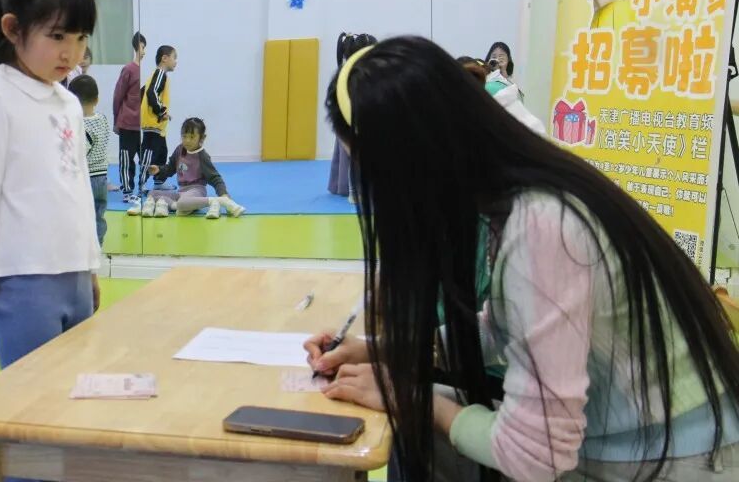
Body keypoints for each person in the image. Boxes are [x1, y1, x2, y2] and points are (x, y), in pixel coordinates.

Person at [306, 36, 739, 482]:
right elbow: (507, 328)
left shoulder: (543, 224)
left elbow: (536, 455)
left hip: (667, 460)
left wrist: (411, 395)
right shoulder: (518, 191)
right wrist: (385, 350)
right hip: (620, 440)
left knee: (417, 423)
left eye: (373, 175)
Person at [0, 0, 102, 370]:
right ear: (12, 29)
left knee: (75, 393)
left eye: (81, 38)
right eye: (57, 36)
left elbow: (80, 187)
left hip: (75, 273)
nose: (71, 52)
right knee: (28, 397)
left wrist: (91, 263)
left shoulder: (69, 102)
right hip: (22, 277)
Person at [140, 117, 245, 220]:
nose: (187, 140)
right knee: (151, 194)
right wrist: (159, 170)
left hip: (196, 191)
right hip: (181, 192)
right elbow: (170, 168)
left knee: (182, 203)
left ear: (202, 138)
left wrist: (224, 194)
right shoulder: (179, 149)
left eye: (192, 137)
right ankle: (180, 207)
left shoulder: (202, 156)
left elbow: (215, 178)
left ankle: (218, 201)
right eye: (184, 136)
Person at [328, 32, 377, 202]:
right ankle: (354, 191)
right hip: (353, 121)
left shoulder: (358, 74)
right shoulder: (351, 77)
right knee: (357, 157)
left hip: (357, 119)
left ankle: (352, 189)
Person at [68, 74, 111, 247]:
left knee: (81, 215)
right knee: (98, 214)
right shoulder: (102, 119)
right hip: (102, 177)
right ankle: (98, 245)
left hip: (87, 178)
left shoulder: (82, 125)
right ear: (97, 99)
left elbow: (80, 155)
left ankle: (83, 247)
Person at [483, 42, 545, 135]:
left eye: (501, 55)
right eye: (494, 56)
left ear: (508, 59)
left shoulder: (514, 84)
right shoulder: (488, 83)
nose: (498, 58)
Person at [113, 32, 146, 205]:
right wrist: (116, 120)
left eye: (145, 47)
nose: (144, 51)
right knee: (126, 158)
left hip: (141, 124)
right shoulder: (128, 69)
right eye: (142, 46)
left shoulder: (144, 71)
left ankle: (140, 187)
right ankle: (127, 190)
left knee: (143, 157)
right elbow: (118, 95)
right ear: (136, 47)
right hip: (127, 123)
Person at [139, 45, 177, 191]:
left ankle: (159, 182)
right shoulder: (160, 73)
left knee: (162, 153)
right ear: (164, 58)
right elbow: (151, 93)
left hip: (158, 126)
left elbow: (144, 92)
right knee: (149, 155)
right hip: (152, 123)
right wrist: (161, 111)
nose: (176, 61)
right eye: (174, 57)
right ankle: (141, 183)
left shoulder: (157, 76)